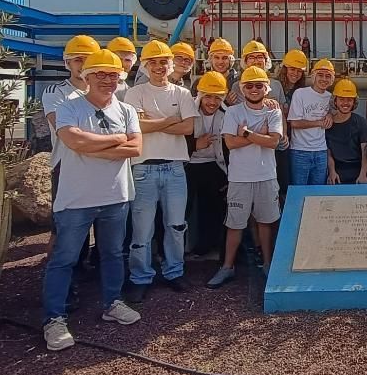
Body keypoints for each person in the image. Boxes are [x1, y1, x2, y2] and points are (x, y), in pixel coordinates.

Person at [41, 49, 142, 351]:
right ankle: (54, 319)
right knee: (64, 259)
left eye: (113, 75)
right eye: (100, 74)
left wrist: (91, 146)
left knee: (112, 254)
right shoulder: (69, 107)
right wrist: (116, 140)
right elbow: (72, 141)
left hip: (116, 196)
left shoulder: (125, 111)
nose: (107, 80)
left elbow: (136, 148)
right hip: (76, 199)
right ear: (86, 76)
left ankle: (113, 302)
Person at [123, 40, 198, 301]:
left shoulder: (182, 94)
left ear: (170, 63)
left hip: (175, 167)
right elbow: (136, 128)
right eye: (153, 62)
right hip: (144, 168)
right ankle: (140, 276)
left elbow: (188, 128)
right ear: (145, 65)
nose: (159, 67)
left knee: (176, 225)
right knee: (142, 229)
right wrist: (169, 120)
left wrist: (151, 121)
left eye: (163, 62)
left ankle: (174, 271)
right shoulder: (135, 93)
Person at [208, 66, 283, 287]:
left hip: (266, 175)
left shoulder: (274, 111)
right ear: (242, 88)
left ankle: (268, 266)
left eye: (258, 85)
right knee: (235, 224)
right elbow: (231, 143)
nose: (253, 89)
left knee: (266, 222)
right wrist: (262, 134)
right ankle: (227, 267)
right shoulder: (233, 111)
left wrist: (248, 133)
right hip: (239, 177)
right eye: (248, 85)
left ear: (266, 88)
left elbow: (274, 142)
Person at [185, 71, 229, 257]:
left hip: (215, 166)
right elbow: (174, 138)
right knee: (183, 209)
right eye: (208, 97)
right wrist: (196, 144)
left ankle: (207, 245)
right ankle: (181, 248)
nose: (212, 102)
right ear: (200, 95)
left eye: (217, 98)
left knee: (212, 209)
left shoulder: (227, 114)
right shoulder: (187, 110)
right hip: (189, 165)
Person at [43, 34, 100, 176]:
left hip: (99, 163)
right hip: (66, 166)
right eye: (78, 60)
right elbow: (66, 131)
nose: (84, 65)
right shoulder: (56, 92)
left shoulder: (105, 93)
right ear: (67, 63)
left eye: (88, 60)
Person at [288, 58, 335, 185]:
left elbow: (336, 114)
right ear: (313, 76)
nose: (324, 79)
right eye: (320, 75)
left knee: (318, 192)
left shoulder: (330, 97)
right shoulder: (300, 94)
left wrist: (331, 115)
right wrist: (319, 123)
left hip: (321, 151)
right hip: (300, 151)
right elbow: (294, 123)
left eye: (327, 76)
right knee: (299, 190)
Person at [275, 49, 309, 196]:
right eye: (292, 69)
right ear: (285, 69)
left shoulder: (302, 91)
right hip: (277, 135)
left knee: (288, 176)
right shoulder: (275, 87)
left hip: (295, 138)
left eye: (299, 71)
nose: (295, 73)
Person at [325, 79, 367, 184]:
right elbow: (328, 152)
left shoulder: (360, 122)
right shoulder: (328, 124)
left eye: (349, 100)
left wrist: (363, 174)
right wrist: (332, 172)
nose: (345, 103)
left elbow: (365, 152)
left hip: (358, 172)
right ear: (335, 101)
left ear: (354, 102)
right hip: (337, 173)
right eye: (341, 99)